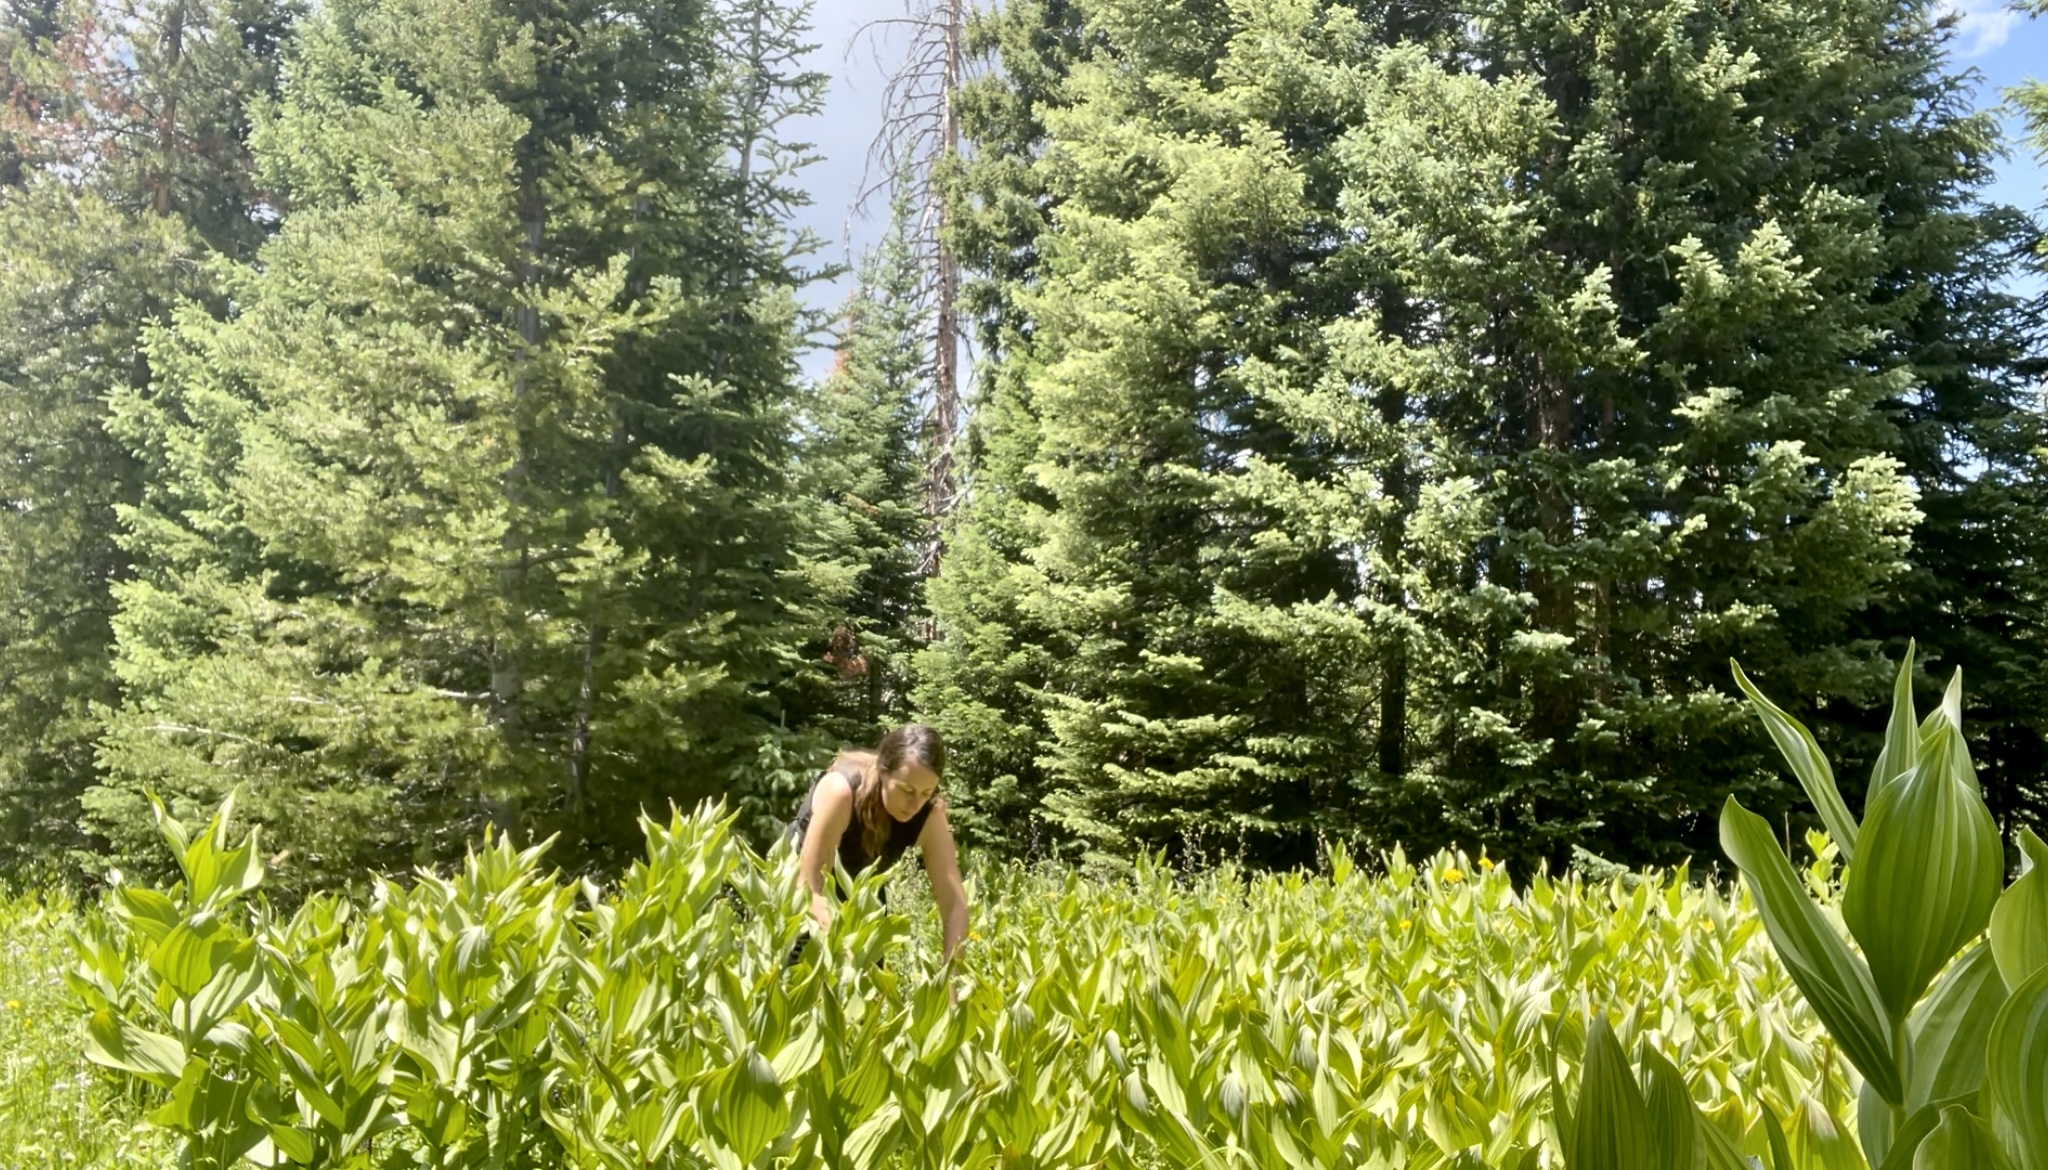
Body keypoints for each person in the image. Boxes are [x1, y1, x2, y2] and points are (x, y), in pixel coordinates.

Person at [782, 723, 970, 973]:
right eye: (906, 790)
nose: (916, 803)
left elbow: (955, 906)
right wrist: (843, 951)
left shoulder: (930, 814)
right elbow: (810, 887)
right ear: (883, 771)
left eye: (927, 792)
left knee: (867, 989)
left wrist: (951, 982)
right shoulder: (841, 792)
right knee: (799, 981)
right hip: (803, 887)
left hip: (863, 893)